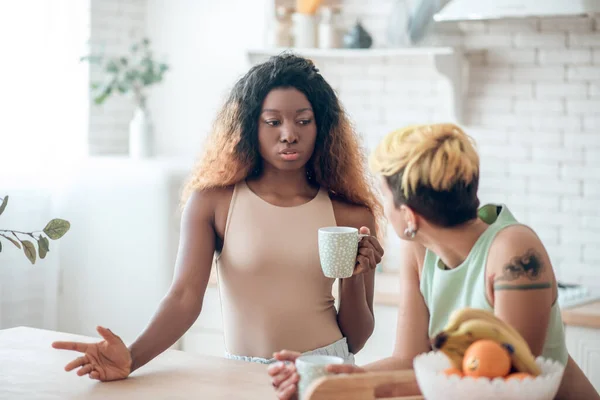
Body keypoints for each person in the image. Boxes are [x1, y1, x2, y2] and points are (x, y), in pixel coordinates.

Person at [51, 53, 385, 379]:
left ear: (321, 126)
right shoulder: (213, 203)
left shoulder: (350, 213)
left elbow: (355, 338)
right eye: (272, 122)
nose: (288, 134)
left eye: (303, 120)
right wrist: (132, 359)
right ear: (250, 126)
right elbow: (183, 298)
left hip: (324, 375)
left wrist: (356, 275)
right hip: (240, 375)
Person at [270, 123, 600, 400]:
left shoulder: (514, 250)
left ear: (409, 215)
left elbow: (500, 377)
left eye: (384, 196)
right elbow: (408, 360)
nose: (383, 207)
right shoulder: (419, 250)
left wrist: (346, 386)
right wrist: (330, 375)